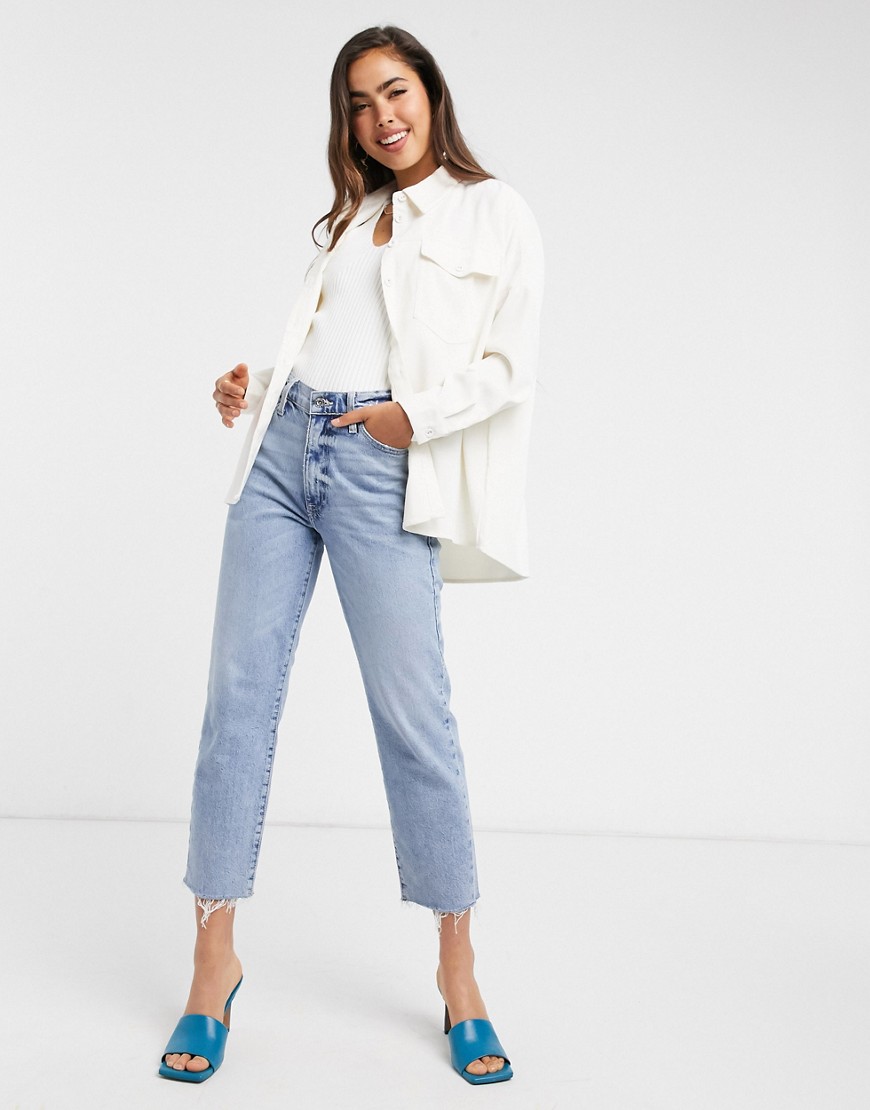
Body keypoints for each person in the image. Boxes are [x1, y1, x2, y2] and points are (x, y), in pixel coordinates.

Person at [158, 24, 544, 1087]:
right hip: (280, 453)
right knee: (237, 700)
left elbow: (509, 364)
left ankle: (459, 973)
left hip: (382, 464)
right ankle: (212, 963)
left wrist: (410, 419)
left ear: (431, 94)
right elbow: (325, 344)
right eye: (361, 103)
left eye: (397, 90)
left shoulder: (493, 211)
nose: (382, 115)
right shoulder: (349, 218)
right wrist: (254, 388)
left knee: (415, 717)